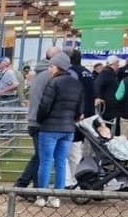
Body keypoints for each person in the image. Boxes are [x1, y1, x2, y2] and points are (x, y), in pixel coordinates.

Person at [35, 52, 83, 208]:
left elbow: (44, 106)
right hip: (68, 129)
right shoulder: (76, 84)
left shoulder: (53, 83)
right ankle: (57, 197)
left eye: (51, 66)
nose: (50, 69)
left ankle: (42, 195)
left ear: (58, 67)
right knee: (61, 162)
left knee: (46, 162)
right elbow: (79, 109)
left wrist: (41, 120)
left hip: (49, 128)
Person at [14, 46, 62, 199]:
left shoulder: (39, 75)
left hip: (35, 120)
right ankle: (27, 188)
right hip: (41, 122)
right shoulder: (48, 77)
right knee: (41, 157)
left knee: (40, 156)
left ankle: (24, 187)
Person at [66, 49, 95, 188]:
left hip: (77, 115)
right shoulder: (87, 72)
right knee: (78, 146)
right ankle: (76, 177)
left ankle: (73, 179)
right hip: (88, 114)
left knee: (72, 148)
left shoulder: (71, 73)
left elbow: (73, 93)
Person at [93, 55, 121, 132]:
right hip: (108, 105)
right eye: (117, 64)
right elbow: (97, 85)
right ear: (114, 64)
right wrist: (98, 97)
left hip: (109, 104)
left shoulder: (109, 73)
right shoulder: (106, 73)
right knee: (107, 127)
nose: (118, 66)